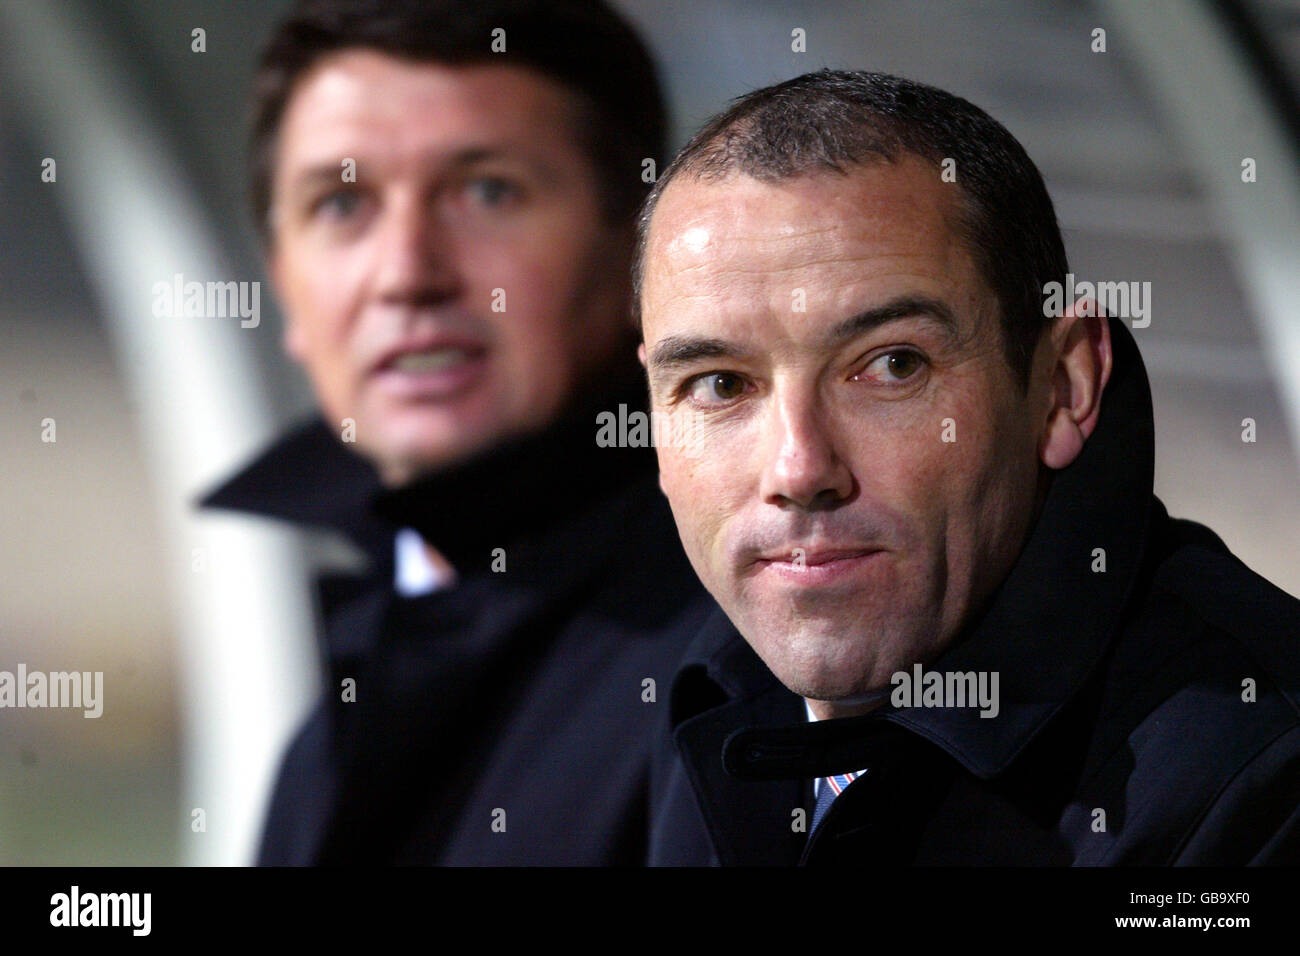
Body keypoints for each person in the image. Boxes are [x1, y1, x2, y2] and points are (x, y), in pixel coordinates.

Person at [636, 69, 1300, 865]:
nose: (799, 468)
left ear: (1062, 386)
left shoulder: (1265, 777)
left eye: (892, 367)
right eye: (719, 385)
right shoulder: (714, 684)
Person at [200, 0, 711, 865]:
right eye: (341, 203)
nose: (408, 272)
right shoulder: (320, 746)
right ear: (283, 288)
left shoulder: (747, 665)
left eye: (487, 191)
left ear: (639, 250)